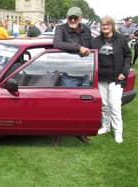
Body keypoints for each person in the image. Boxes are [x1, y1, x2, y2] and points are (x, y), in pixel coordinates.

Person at [53, 7, 92, 143]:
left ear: (81, 18)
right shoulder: (60, 28)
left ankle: (80, 132)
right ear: (67, 17)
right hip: (68, 73)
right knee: (64, 106)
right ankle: (58, 134)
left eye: (76, 17)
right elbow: (57, 43)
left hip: (85, 72)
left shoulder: (86, 29)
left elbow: (91, 46)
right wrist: (78, 48)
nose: (73, 20)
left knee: (83, 107)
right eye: (71, 17)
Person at [91, 16, 131, 144]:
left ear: (112, 26)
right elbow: (89, 54)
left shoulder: (120, 39)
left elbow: (128, 56)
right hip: (101, 78)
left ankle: (118, 131)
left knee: (115, 105)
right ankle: (106, 127)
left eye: (107, 25)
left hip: (116, 78)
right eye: (103, 24)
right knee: (104, 105)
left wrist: (124, 73)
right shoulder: (95, 41)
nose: (105, 27)